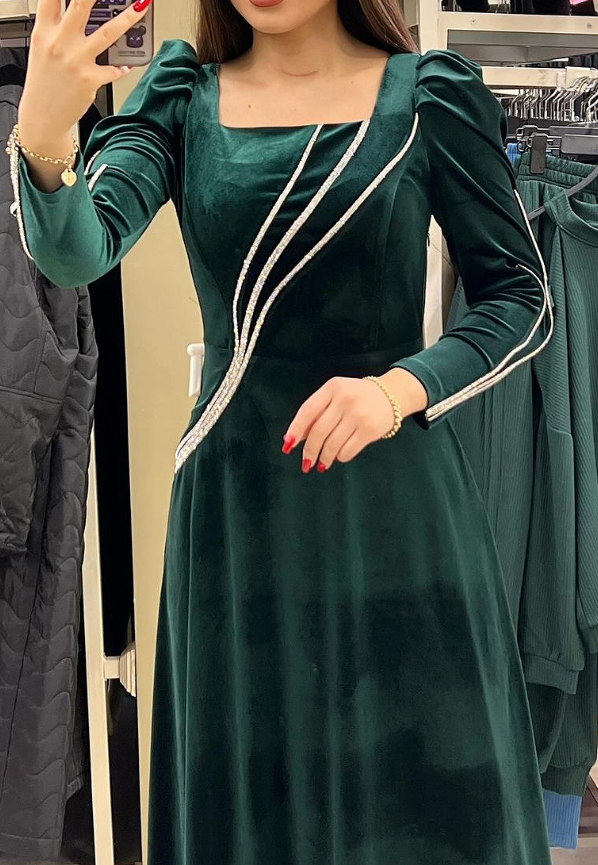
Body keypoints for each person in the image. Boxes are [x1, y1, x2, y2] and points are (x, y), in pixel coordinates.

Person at [11, 0, 554, 862]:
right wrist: (42, 136)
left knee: (413, 802)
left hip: (397, 519)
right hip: (237, 523)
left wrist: (399, 388)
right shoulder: (181, 98)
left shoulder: (428, 97)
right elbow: (79, 251)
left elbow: (521, 299)